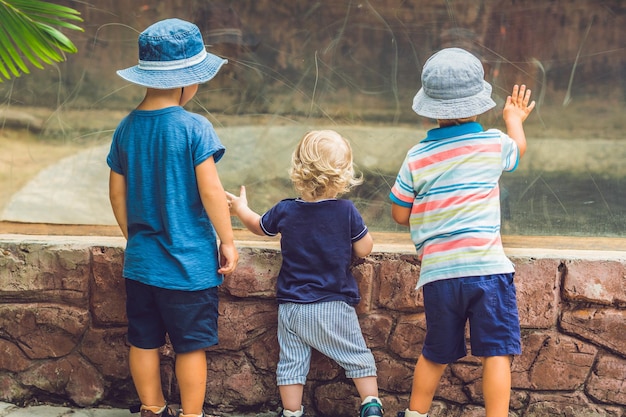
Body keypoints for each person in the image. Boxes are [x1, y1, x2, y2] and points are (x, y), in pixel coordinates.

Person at [389, 48, 535, 417]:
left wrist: (430, 207)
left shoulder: (416, 156)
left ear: (430, 107)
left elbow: (398, 213)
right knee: (496, 352)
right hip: (488, 270)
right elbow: (517, 150)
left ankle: (415, 414)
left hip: (440, 275)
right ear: (479, 104)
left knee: (435, 352)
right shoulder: (492, 144)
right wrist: (513, 117)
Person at [107, 18, 239, 417]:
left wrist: (134, 237)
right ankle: (192, 413)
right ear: (186, 81)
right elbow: (211, 190)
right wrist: (228, 240)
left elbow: (116, 192)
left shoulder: (126, 128)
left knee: (143, 340)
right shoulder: (194, 126)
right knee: (190, 346)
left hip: (142, 264)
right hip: (188, 267)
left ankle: (152, 407)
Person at [226, 130, 384, 417]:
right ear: (343, 175)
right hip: (333, 305)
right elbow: (364, 249)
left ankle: (291, 412)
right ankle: (371, 404)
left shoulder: (286, 210)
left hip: (293, 307)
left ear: (298, 169)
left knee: (292, 363)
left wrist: (241, 208)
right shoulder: (346, 211)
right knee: (358, 358)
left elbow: (258, 226)